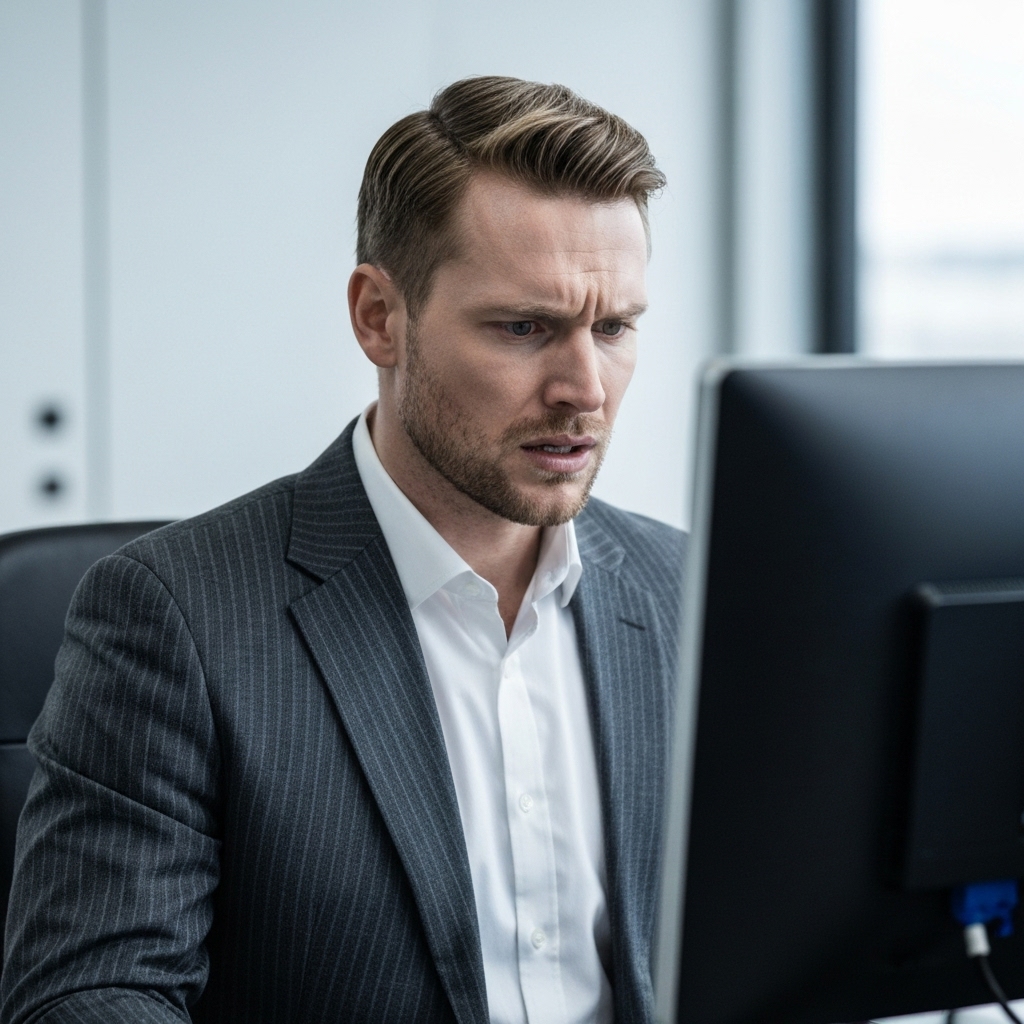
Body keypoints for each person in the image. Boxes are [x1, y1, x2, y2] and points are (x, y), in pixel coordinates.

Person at [1, 76, 686, 1024]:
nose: (586, 388)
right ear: (379, 318)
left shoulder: (689, 594)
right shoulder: (174, 618)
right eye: (525, 327)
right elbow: (87, 997)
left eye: (613, 328)